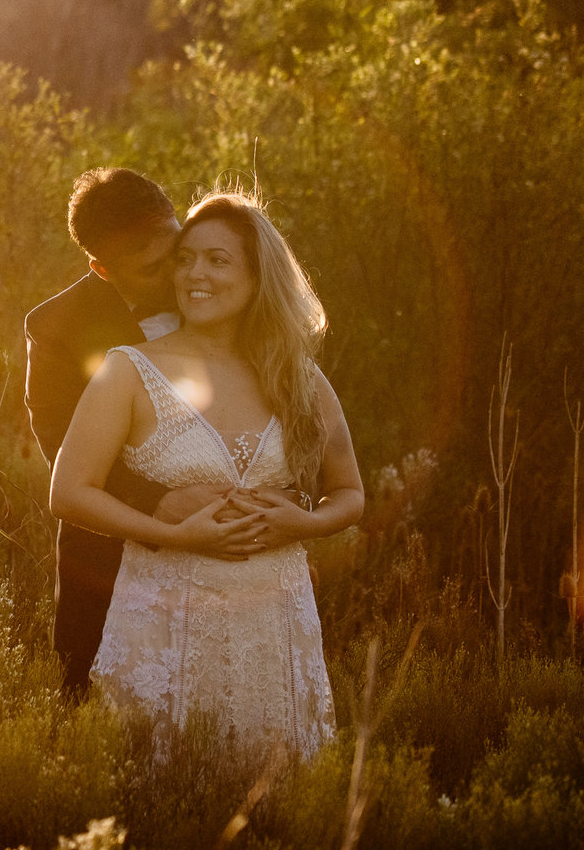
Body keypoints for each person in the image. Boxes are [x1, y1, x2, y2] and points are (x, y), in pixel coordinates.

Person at [47, 190, 365, 757]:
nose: (194, 272)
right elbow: (68, 493)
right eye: (187, 258)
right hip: (162, 626)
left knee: (279, 795)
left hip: (274, 626)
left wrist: (303, 523)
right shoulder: (126, 371)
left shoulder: (299, 379)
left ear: (257, 275)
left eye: (218, 260)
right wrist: (172, 534)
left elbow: (349, 494)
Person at [22, 167, 184, 689]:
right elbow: (59, 442)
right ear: (103, 268)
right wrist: (166, 503)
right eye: (149, 269)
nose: (173, 279)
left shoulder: (219, 280)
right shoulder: (55, 328)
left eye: (174, 254)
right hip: (111, 553)